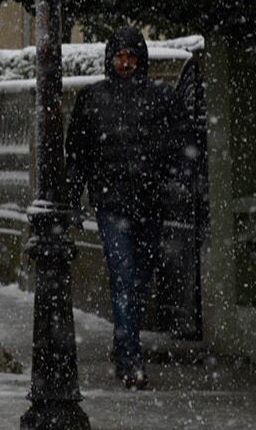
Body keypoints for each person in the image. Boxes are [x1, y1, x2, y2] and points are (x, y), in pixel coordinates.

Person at [66, 28, 180, 389]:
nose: (126, 62)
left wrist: (173, 182)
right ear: (110, 59)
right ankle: (131, 358)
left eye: (131, 56)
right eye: (120, 56)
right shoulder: (92, 99)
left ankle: (123, 343)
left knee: (139, 279)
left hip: (149, 204)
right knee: (124, 276)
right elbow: (78, 155)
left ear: (141, 58)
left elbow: (177, 146)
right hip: (112, 203)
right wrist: (71, 198)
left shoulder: (160, 98)